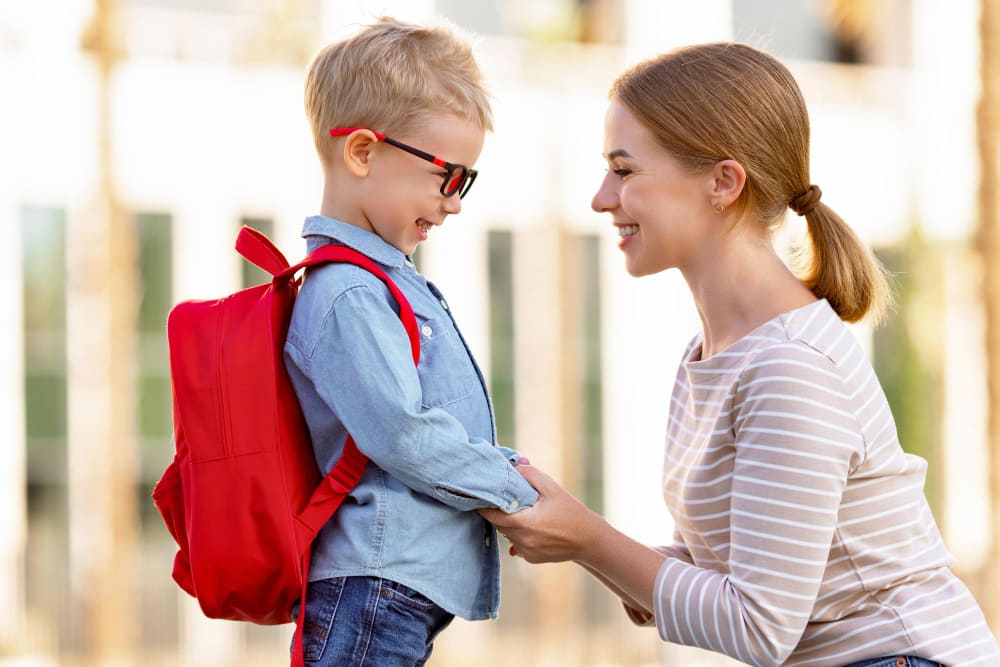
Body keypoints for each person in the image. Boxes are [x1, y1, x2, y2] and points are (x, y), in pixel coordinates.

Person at [481, 42, 1000, 667]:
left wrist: (587, 540)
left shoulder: (790, 369)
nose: (600, 198)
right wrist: (588, 540)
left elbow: (757, 626)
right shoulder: (709, 353)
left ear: (723, 182)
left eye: (624, 171)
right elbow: (730, 571)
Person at [283, 17, 537, 666]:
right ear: (363, 152)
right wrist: (510, 485)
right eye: (447, 176)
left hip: (389, 595)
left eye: (465, 182)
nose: (454, 202)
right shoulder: (348, 293)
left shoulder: (384, 282)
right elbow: (401, 432)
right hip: (373, 592)